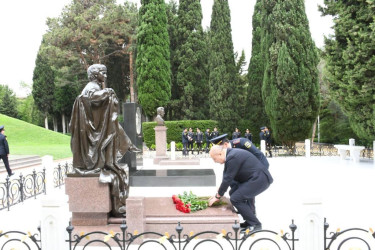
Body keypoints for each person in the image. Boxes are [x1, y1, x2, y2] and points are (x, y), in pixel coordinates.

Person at [70, 64, 140, 217]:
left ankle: (127, 143)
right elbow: (91, 99)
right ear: (95, 75)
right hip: (91, 134)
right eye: (103, 73)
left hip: (93, 131)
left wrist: (107, 93)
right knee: (113, 137)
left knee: (114, 131)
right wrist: (108, 93)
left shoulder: (94, 86)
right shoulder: (90, 87)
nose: (106, 76)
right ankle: (127, 144)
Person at [208, 145, 273, 233]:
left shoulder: (232, 156)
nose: (215, 162)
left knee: (236, 198)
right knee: (233, 192)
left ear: (220, 154)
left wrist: (218, 196)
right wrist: (220, 189)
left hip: (259, 179)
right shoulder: (231, 155)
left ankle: (256, 224)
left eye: (214, 159)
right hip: (254, 179)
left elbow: (228, 178)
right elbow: (227, 175)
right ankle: (249, 221)